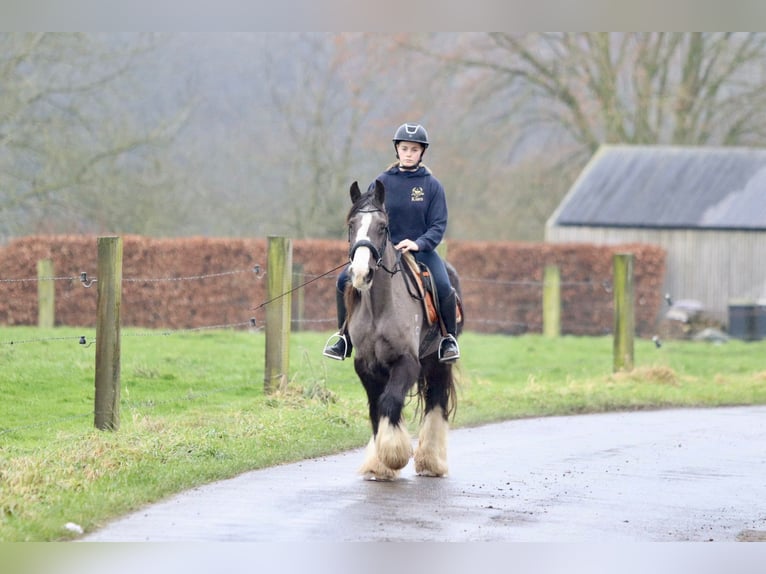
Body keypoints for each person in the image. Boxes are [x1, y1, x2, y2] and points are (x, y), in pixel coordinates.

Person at [323, 122, 460, 363]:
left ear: (422, 152)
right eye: (405, 148)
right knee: (343, 279)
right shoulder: (380, 182)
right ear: (397, 150)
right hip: (383, 252)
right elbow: (367, 215)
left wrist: (419, 243)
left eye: (414, 149)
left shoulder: (432, 186)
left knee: (443, 284)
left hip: (420, 251)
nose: (409, 153)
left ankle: (448, 339)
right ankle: (343, 337)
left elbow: (438, 225)